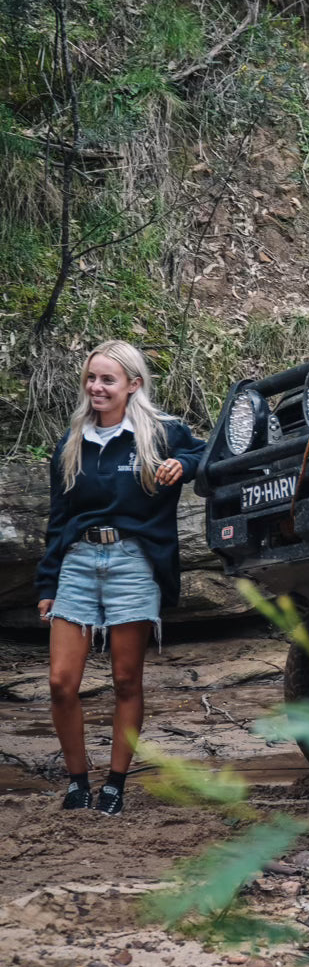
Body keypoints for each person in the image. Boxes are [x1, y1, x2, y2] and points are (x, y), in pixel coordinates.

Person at [35, 341, 206, 816]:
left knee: (126, 679)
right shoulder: (72, 442)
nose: (96, 388)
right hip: (78, 560)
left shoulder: (163, 433)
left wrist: (184, 464)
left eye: (108, 380)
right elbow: (57, 518)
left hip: (133, 562)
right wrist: (47, 585)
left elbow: (208, 455)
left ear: (134, 385)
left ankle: (114, 783)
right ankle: (76, 781)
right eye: (92, 378)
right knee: (60, 682)